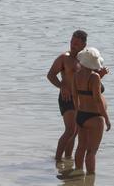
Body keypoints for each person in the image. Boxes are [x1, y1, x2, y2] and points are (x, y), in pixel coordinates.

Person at [59, 47, 110, 178]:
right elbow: (98, 100)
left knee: (81, 147)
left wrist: (77, 113)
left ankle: (78, 171)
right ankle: (91, 177)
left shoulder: (76, 75)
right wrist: (107, 118)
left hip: (81, 115)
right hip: (95, 117)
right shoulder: (94, 77)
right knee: (92, 151)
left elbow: (75, 96)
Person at [47, 30, 88, 161]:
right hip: (67, 97)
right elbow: (51, 75)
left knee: (75, 132)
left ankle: (68, 158)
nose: (72, 45)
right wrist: (61, 86)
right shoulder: (64, 58)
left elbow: (91, 77)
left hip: (80, 99)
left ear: (83, 45)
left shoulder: (86, 59)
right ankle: (57, 160)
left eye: (76, 43)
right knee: (70, 129)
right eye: (71, 42)